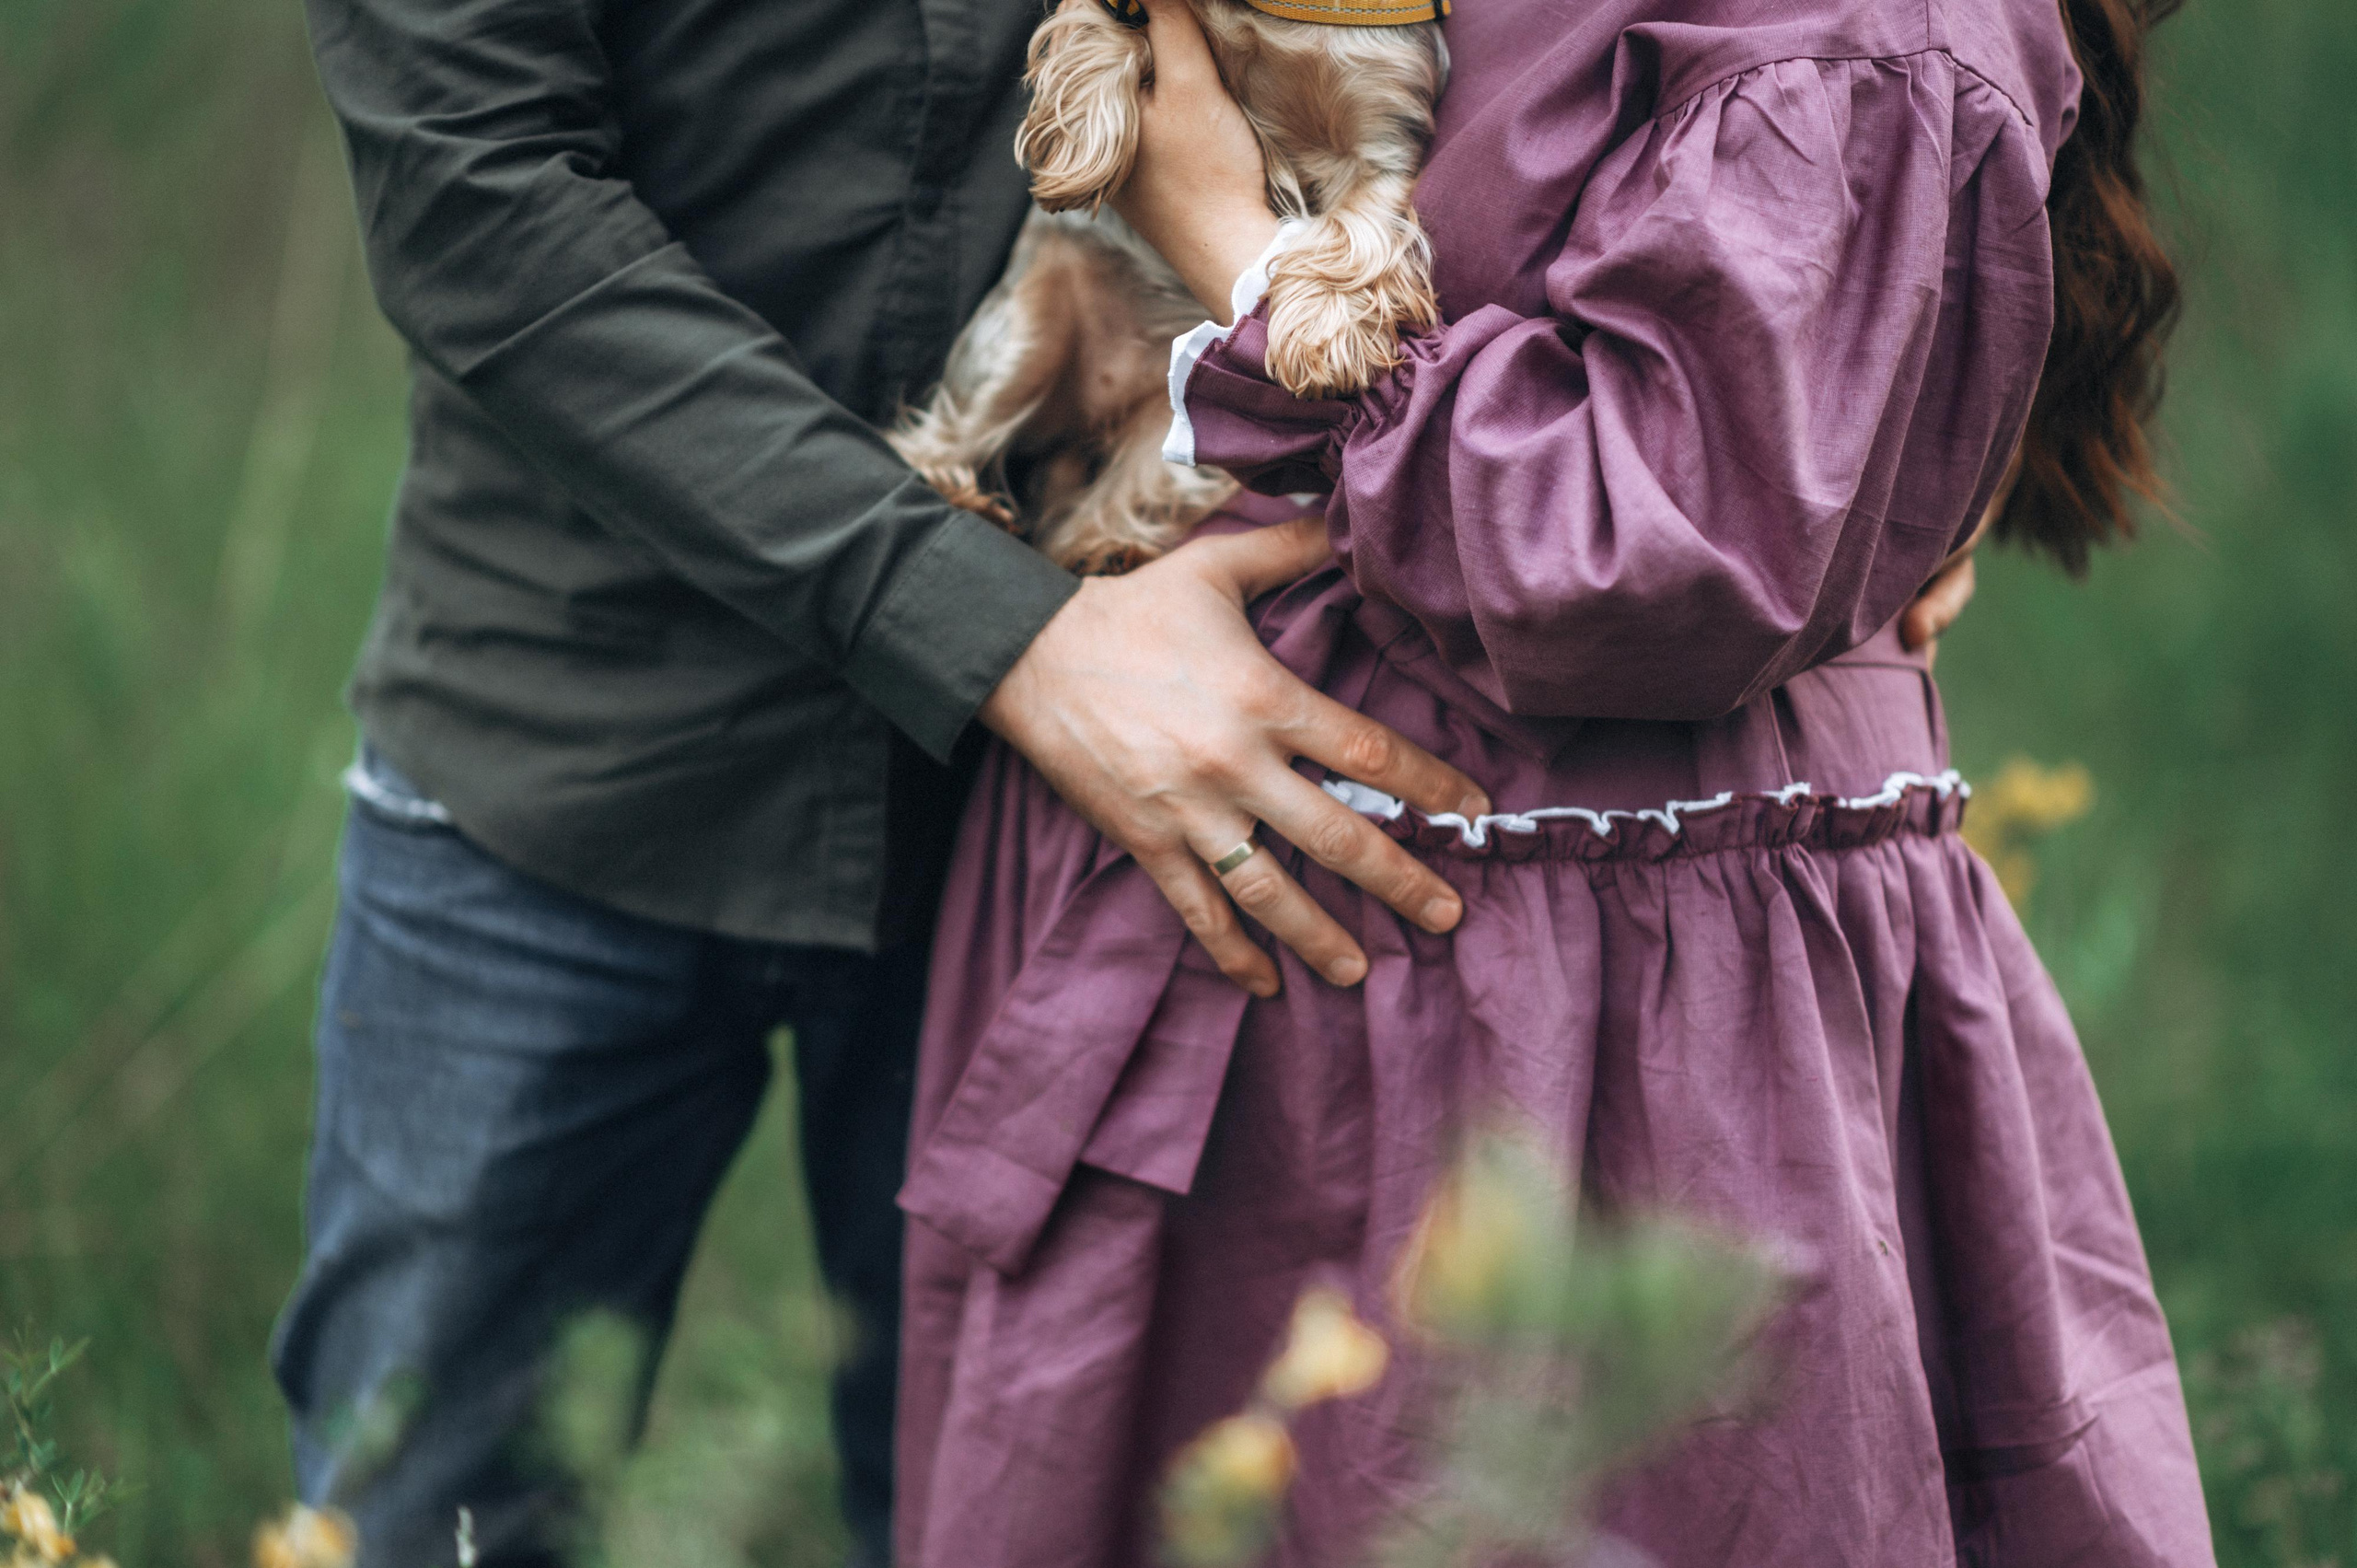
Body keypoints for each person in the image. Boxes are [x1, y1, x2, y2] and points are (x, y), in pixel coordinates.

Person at [895, 0, 2213, 1563]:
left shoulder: (1857, 30)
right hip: (1209, 916)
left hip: (1598, 1009)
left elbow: (1635, 543)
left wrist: (1231, 241)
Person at [273, 2, 1520, 1564]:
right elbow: (480, 212)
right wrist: (999, 637)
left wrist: (1859, 438)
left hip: (1066, 831)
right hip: (573, 759)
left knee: (1025, 1517)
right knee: (434, 1513)